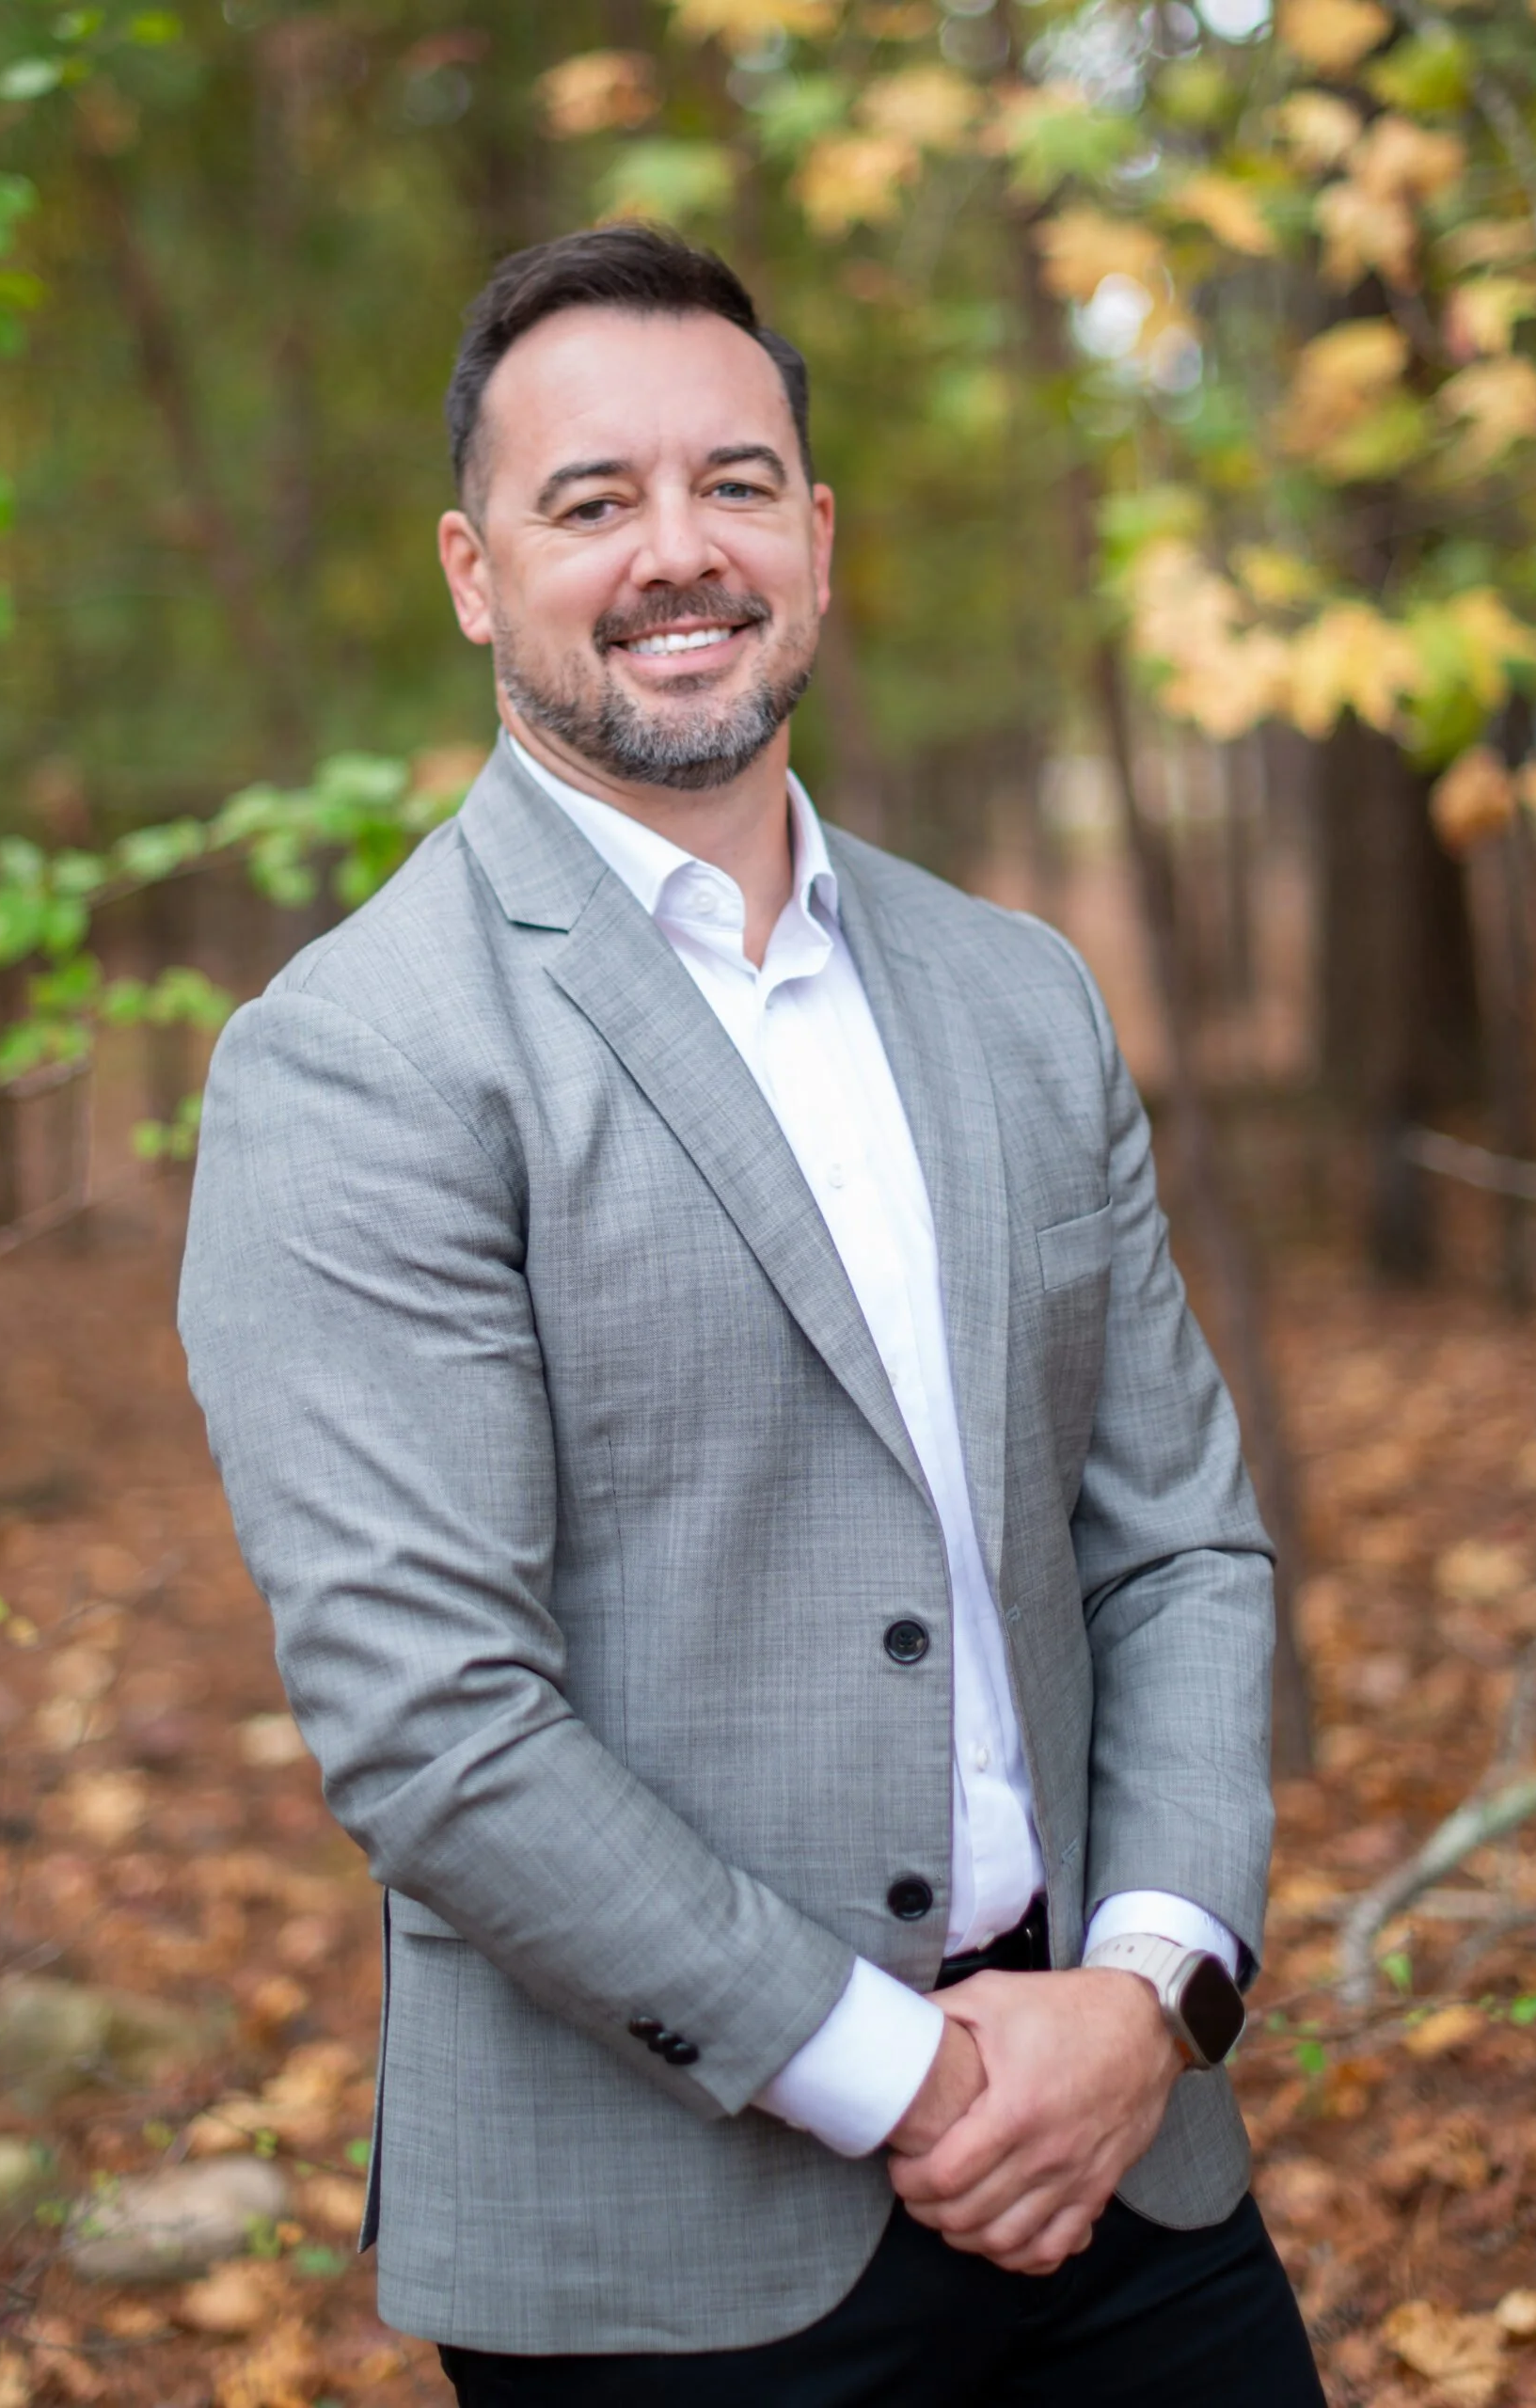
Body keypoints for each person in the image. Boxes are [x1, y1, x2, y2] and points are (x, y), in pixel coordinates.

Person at [178, 223, 1325, 2407]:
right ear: (469, 569)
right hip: (676, 2249)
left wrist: (1148, 1986)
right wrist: (902, 2075)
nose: (671, 550)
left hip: (1132, 2157)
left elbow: (1175, 1538)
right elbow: (435, 1717)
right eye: (589, 499)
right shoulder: (359, 1056)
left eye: (730, 482)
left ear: (814, 534)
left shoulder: (1018, 991)